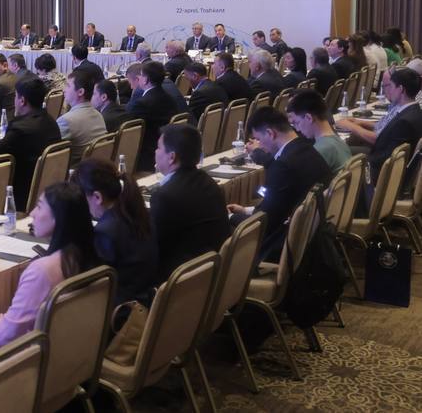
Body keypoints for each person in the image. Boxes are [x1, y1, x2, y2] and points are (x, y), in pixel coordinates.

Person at [0, 183, 96, 363]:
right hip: (62, 341)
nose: (32, 213)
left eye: (39, 206)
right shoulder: (86, 255)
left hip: (26, 352)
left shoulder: (42, 270)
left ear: (58, 218)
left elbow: (10, 333)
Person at [228, 107, 332, 262]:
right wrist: (245, 210)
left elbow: (264, 223)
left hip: (286, 248)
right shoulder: (307, 148)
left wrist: (230, 217)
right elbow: (279, 205)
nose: (259, 145)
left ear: (270, 133)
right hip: (313, 237)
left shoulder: (283, 166)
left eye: (258, 139)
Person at [150, 125, 231, 283]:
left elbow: (153, 247)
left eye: (159, 148)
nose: (155, 152)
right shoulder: (208, 182)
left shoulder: (165, 196)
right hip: (213, 271)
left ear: (171, 157)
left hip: (182, 281)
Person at [72, 159, 157, 305]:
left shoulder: (106, 231)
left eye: (81, 199)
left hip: (121, 310)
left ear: (97, 197)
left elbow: (90, 282)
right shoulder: (138, 213)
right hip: (145, 298)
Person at [336, 66, 422, 182]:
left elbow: (386, 158)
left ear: (401, 89)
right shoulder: (412, 111)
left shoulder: (405, 121)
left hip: (380, 171)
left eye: (391, 86)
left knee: (337, 154)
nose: (388, 91)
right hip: (381, 161)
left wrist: (356, 164)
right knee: (341, 149)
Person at [0, 77, 62, 210]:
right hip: (48, 186)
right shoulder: (51, 121)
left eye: (15, 96)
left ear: (22, 100)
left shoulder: (20, 128)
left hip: (22, 191)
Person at [286, 90, 352, 175]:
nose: (298, 129)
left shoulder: (320, 151)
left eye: (297, 123)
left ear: (309, 118)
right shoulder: (341, 143)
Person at [126, 60, 176, 172]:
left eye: (141, 75)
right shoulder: (169, 98)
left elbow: (128, 127)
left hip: (147, 156)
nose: (139, 78)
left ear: (146, 80)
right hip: (166, 146)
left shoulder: (142, 104)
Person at [57, 69, 107, 164]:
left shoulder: (66, 121)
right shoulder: (99, 115)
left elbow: (51, 153)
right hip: (97, 167)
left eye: (68, 86)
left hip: (76, 170)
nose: (64, 90)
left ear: (80, 92)